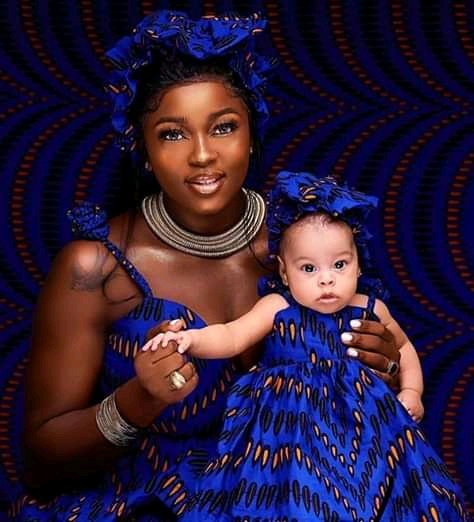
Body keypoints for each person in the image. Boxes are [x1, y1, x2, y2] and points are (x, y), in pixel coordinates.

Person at [12, 10, 402, 522]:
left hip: (306, 500)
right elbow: (39, 464)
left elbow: (367, 408)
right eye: (173, 134)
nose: (202, 155)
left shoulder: (312, 247)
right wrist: (136, 403)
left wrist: (385, 372)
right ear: (145, 150)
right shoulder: (97, 270)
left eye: (223, 127)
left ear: (251, 135)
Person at [146, 172, 467, 521]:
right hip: (289, 424)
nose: (326, 279)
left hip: (362, 420)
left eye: (340, 265)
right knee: (294, 486)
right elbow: (231, 336)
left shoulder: (369, 308)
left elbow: (403, 348)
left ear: (358, 264)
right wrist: (190, 339)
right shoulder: (277, 307)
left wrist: (412, 391)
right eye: (309, 268)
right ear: (284, 273)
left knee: (382, 482)